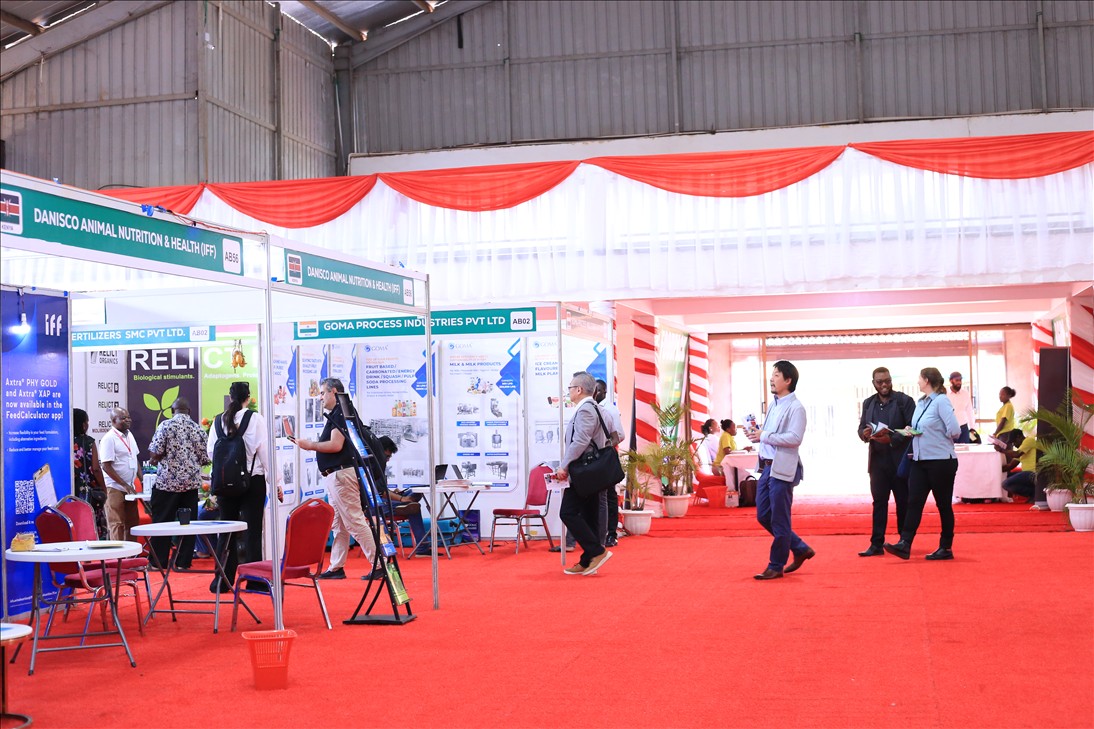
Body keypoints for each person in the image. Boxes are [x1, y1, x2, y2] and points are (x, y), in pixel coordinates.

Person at [295, 378, 381, 581]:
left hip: (341, 475)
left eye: (322, 393)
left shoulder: (341, 412)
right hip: (337, 475)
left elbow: (335, 445)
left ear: (333, 391)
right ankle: (336, 567)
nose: (320, 398)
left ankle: (379, 564)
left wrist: (310, 445)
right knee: (339, 524)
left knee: (354, 521)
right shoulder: (341, 411)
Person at [205, 382, 281, 593]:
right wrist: (275, 482)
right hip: (252, 481)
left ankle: (222, 580)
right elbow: (265, 453)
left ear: (230, 397)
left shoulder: (218, 420)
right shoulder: (255, 419)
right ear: (248, 397)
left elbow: (212, 453)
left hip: (224, 483)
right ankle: (254, 579)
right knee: (252, 532)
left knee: (226, 532)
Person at [745, 361, 814, 580]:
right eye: (772, 374)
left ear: (788, 380)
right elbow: (771, 435)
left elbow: (795, 438)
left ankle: (776, 565)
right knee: (763, 515)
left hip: (782, 467)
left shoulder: (796, 408)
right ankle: (799, 547)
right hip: (767, 467)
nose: (771, 379)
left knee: (779, 519)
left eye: (776, 375)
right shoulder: (774, 405)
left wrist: (764, 435)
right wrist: (758, 435)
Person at [885, 367, 961, 561]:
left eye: (919, 378)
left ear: (927, 380)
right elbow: (920, 427)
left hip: (941, 461)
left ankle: (946, 547)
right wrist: (911, 430)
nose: (918, 381)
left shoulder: (941, 401)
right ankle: (905, 543)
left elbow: (955, 430)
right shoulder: (921, 403)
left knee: (943, 505)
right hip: (920, 460)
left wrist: (935, 435)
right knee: (914, 502)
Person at [554, 371, 614, 576]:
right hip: (591, 470)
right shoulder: (596, 408)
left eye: (570, 387)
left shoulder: (586, 410)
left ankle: (597, 551)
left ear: (579, 389)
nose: (569, 391)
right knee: (589, 515)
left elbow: (580, 441)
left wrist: (564, 465)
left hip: (584, 470)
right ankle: (588, 560)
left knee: (568, 512)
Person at [856, 367, 916, 557]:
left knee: (903, 502)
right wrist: (864, 434)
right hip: (877, 461)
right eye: (880, 382)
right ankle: (876, 544)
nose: (884, 385)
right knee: (879, 502)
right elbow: (861, 427)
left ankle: (903, 543)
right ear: (873, 383)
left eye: (887, 381)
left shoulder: (904, 401)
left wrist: (892, 439)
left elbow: (913, 429)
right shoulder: (868, 403)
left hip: (900, 461)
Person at [147, 398, 210, 570]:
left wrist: (157, 458)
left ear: (172, 411)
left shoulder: (165, 426)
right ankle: (183, 562)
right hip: (190, 485)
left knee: (162, 523)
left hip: (167, 483)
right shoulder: (198, 429)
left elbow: (155, 453)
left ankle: (158, 563)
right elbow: (205, 458)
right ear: (189, 411)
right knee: (188, 525)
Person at [99, 407, 141, 541]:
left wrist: (141, 480)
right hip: (115, 487)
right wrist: (123, 484)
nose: (128, 420)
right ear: (113, 421)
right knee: (117, 524)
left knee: (132, 524)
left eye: (128, 417)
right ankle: (118, 553)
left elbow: (135, 459)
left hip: (130, 487)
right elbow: (106, 466)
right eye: (123, 418)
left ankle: (132, 553)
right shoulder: (109, 438)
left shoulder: (130, 435)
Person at [595, 378, 625, 547]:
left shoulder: (610, 410)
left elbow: (620, 435)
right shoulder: (591, 407)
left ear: (603, 392)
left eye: (597, 390)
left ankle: (611, 534)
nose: (594, 393)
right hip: (594, 458)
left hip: (606, 457)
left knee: (610, 496)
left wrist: (604, 447)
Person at [73, 408, 109, 539]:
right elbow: (96, 469)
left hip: (71, 490)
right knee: (92, 520)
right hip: (89, 490)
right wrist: (104, 488)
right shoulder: (89, 442)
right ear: (83, 424)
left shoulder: (63, 441)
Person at [997, 429, 1037, 502]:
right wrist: (994, 469)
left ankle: (1033, 493)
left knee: (1006, 484)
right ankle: (1034, 493)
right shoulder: (1022, 449)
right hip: (1026, 474)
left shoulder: (1029, 440)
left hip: (1032, 473)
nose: (1014, 445)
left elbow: (1016, 454)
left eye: (1014, 442)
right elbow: (1010, 466)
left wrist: (1001, 450)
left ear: (1019, 437)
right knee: (1007, 477)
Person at [946, 371, 975, 444]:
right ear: (951, 381)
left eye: (960, 380)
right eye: (957, 380)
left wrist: (972, 427)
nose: (959, 382)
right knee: (950, 449)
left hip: (963, 428)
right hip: (949, 428)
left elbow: (969, 411)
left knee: (965, 449)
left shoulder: (965, 394)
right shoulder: (945, 394)